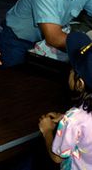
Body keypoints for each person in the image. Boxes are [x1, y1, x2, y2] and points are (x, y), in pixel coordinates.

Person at [39, 31, 92, 169]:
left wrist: (47, 131)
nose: (69, 72)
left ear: (80, 83)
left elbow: (57, 157)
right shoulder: (74, 120)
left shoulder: (73, 119)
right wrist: (64, 119)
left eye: (72, 69)